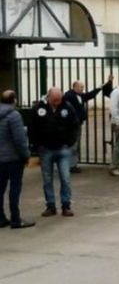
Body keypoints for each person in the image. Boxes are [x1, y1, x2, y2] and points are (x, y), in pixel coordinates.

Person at [29, 87, 79, 217]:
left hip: (63, 148)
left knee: (65, 178)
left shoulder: (67, 107)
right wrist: (36, 145)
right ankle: (50, 206)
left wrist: (70, 142)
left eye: (59, 99)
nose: (57, 102)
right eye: (55, 100)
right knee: (47, 179)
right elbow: (32, 127)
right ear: (49, 97)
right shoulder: (39, 108)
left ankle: (66, 205)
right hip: (45, 149)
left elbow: (75, 125)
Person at [64, 76, 114, 173]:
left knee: (75, 144)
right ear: (75, 87)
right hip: (71, 125)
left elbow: (89, 95)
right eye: (81, 87)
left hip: (77, 123)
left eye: (83, 87)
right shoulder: (69, 96)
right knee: (72, 144)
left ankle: (72, 164)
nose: (83, 89)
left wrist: (100, 87)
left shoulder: (79, 95)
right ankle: (70, 165)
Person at [0, 90, 34, 229]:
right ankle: (15, 219)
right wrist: (26, 155)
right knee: (14, 189)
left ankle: (1, 218)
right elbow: (20, 140)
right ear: (14, 100)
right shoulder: (14, 115)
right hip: (13, 159)